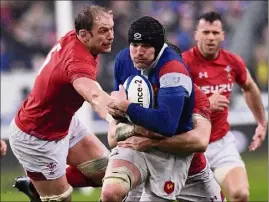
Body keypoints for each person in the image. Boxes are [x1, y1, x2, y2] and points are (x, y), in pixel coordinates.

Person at [9, 5, 115, 202]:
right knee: (62, 198)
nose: (110, 36)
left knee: (111, 175)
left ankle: (34, 185)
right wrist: (114, 117)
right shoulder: (77, 61)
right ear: (83, 34)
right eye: (103, 31)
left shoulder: (75, 38)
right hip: (36, 137)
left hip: (64, 123)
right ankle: (43, 186)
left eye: (111, 29)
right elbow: (94, 95)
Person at [101, 16, 195, 202]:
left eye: (146, 46)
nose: (138, 52)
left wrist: (126, 106)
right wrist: (116, 110)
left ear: (159, 47)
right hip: (134, 143)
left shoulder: (173, 69)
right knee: (111, 193)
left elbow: (166, 124)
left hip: (170, 152)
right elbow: (120, 109)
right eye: (134, 45)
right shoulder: (123, 60)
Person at [182, 11, 267, 202]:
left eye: (215, 32)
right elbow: (172, 107)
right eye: (206, 32)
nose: (211, 37)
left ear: (222, 35)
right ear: (196, 34)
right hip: (189, 146)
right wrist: (205, 104)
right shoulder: (182, 64)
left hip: (221, 143)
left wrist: (261, 122)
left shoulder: (232, 61)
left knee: (240, 194)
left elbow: (250, 87)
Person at [108, 83, 224, 202]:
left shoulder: (191, 92)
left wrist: (153, 142)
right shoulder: (130, 88)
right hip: (144, 172)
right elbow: (112, 139)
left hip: (191, 172)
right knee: (111, 193)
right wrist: (135, 129)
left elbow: (200, 141)